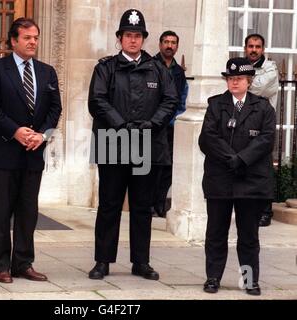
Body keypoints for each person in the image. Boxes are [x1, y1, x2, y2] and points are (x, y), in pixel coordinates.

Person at [88, 9, 178, 281]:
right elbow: (97, 101)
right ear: (119, 38)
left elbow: (170, 101)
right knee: (109, 204)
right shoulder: (105, 68)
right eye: (128, 35)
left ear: (143, 39)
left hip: (145, 144)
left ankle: (141, 261)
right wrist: (121, 125)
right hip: (112, 142)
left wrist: (152, 124)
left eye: (137, 36)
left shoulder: (158, 69)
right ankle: (102, 261)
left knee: (141, 206)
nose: (133, 40)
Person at [0, 18, 62, 283]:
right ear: (13, 40)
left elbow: (55, 109)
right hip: (5, 153)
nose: (33, 42)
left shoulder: (47, 71)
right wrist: (15, 131)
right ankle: (1, 265)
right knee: (3, 212)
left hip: (33, 152)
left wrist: (43, 135)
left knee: (29, 212)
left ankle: (23, 263)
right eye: (27, 37)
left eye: (36, 37)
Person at [199, 57, 276, 296]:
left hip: (250, 181)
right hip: (220, 178)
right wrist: (230, 158)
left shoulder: (263, 108)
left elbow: (266, 140)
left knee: (248, 236)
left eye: (239, 79)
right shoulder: (215, 105)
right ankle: (213, 278)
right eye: (230, 78)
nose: (234, 82)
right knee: (216, 234)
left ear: (249, 81)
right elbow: (207, 138)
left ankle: (249, 280)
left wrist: (241, 159)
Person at [152, 30, 188, 217]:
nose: (169, 45)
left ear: (177, 46)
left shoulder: (179, 72)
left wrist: (176, 120)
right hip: (154, 126)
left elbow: (182, 99)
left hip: (172, 127)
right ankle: (149, 204)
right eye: (166, 41)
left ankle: (159, 203)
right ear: (160, 44)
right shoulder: (150, 65)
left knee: (168, 167)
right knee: (152, 166)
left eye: (173, 42)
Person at [244, 33, 279, 227]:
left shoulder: (270, 68)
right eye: (250, 46)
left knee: (263, 169)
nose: (254, 50)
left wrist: (244, 80)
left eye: (257, 46)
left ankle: (266, 211)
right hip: (245, 123)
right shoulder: (243, 64)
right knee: (247, 167)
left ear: (263, 49)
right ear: (245, 48)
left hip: (264, 126)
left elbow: (259, 88)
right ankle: (250, 209)